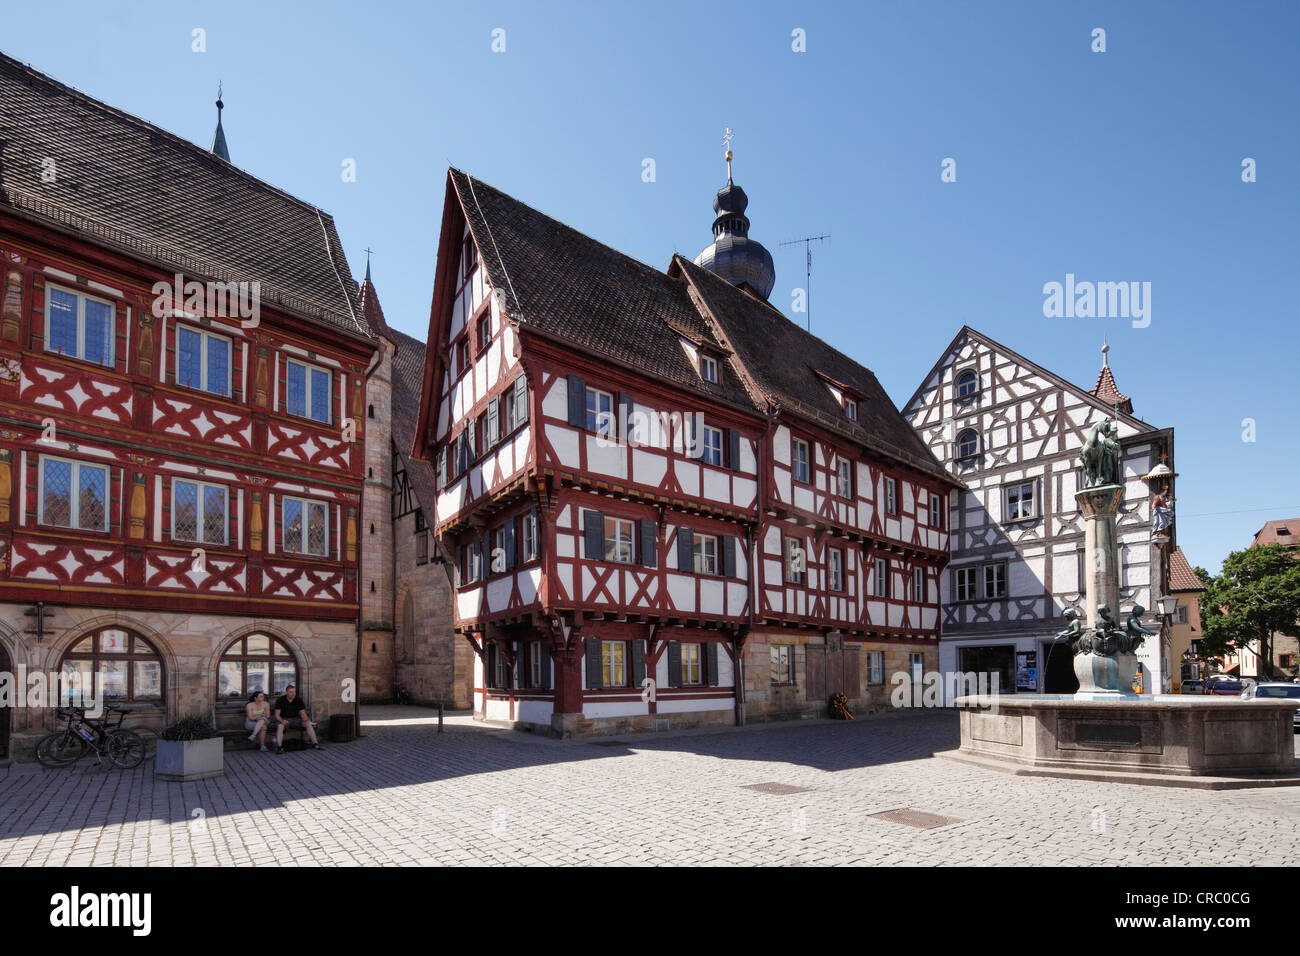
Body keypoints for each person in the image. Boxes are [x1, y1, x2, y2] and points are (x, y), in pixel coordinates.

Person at [273, 684, 320, 753]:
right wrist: (282, 720)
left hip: (296, 719)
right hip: (285, 719)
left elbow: (302, 712)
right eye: (291, 692)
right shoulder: (280, 700)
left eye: (294, 692)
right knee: (280, 726)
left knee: (307, 723)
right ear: (286, 692)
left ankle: (315, 744)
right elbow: (277, 715)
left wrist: (305, 718)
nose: (293, 694)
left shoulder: (298, 700)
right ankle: (279, 747)